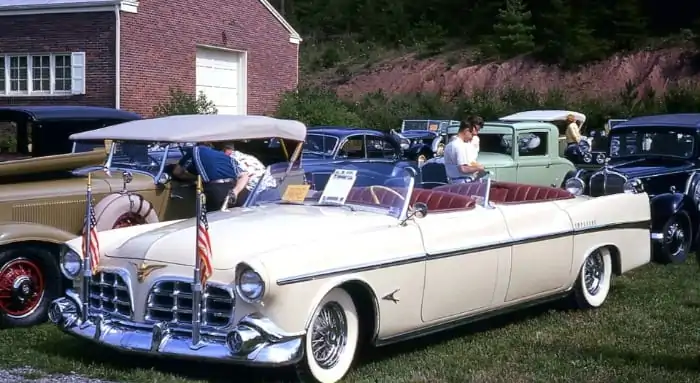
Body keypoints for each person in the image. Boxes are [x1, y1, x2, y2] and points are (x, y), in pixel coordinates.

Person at [173, 144, 249, 212]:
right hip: (239, 191)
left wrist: (194, 179)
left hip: (216, 191)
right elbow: (244, 175)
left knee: (216, 222)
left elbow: (177, 172)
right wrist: (235, 192)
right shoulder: (228, 158)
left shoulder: (195, 150)